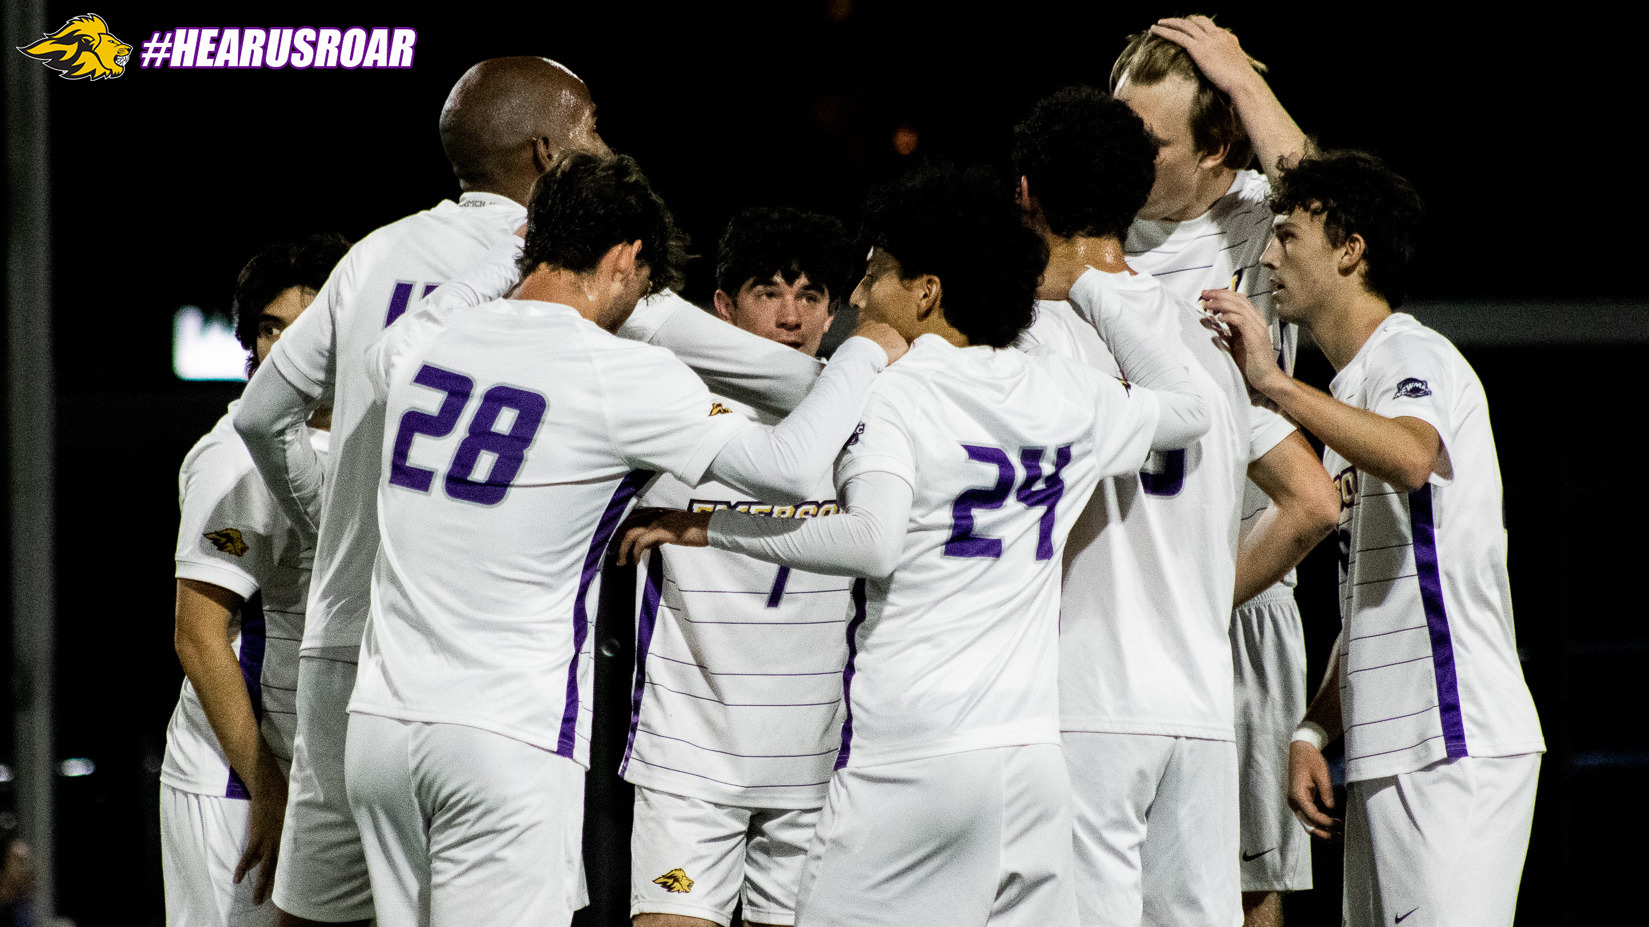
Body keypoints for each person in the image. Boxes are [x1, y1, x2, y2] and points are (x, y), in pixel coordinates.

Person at [231, 56, 822, 927]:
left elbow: (262, 414)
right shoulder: (596, 283)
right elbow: (790, 388)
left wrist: (333, 523)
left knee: (314, 919)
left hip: (356, 658)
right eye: (592, 127)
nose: (604, 144)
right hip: (498, 693)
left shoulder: (373, 257)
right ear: (549, 153)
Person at [619, 163, 1211, 927]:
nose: (860, 297)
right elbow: (1190, 408)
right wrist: (1091, 284)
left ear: (926, 291)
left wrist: (711, 526)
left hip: (910, 757)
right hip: (1029, 759)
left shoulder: (894, 392)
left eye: (875, 275)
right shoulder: (1070, 391)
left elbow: (870, 540)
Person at [345, 151, 902, 927]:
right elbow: (789, 463)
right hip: (504, 735)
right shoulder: (619, 374)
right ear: (625, 259)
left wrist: (520, 253)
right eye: (643, 283)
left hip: (376, 729)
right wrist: (868, 348)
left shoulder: (420, 343)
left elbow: (406, 336)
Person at [1012, 86, 1337, 927]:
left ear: (1024, 194)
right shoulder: (1213, 333)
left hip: (1081, 700)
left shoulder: (1020, 341)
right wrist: (1192, 600)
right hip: (1197, 705)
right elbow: (1311, 498)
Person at [1204, 150, 1544, 927]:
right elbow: (1371, 608)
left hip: (1452, 743)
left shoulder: (1409, 352)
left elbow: (1413, 455)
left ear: (1350, 250)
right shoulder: (1350, 394)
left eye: (1287, 236)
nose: (1267, 255)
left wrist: (1273, 385)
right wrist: (1313, 724)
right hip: (1386, 751)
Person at [1111, 18, 1318, 922]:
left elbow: (1326, 195)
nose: (1124, 156)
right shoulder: (1089, 235)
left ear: (1216, 147)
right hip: (1111, 599)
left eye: (1148, 141)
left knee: (1242, 889)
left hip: (1230, 590)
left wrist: (1235, 74)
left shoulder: (1260, 225)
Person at [623, 207, 859, 927]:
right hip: (686, 759)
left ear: (835, 310)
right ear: (722, 306)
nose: (790, 315)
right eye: (768, 291)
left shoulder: (865, 427)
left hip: (817, 765)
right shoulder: (667, 411)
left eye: (810, 295)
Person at [162, 234, 348, 927]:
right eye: (270, 327)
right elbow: (199, 635)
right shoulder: (233, 456)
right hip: (239, 779)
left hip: (316, 777)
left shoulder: (366, 441)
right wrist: (267, 786)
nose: (286, 349)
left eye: (306, 328)